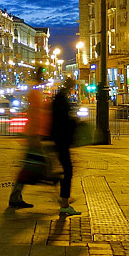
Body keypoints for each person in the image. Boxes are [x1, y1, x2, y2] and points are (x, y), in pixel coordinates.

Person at [9, 67, 50, 209]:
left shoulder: (36, 92)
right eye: (42, 75)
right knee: (33, 167)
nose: (43, 78)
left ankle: (16, 195)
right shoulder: (34, 93)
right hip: (34, 136)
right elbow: (36, 114)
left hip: (34, 135)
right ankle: (59, 196)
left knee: (31, 167)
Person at [51, 77, 80, 216]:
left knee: (65, 169)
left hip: (59, 138)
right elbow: (63, 120)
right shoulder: (61, 99)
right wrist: (74, 124)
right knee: (68, 170)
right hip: (61, 138)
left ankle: (64, 199)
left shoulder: (60, 97)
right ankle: (64, 203)